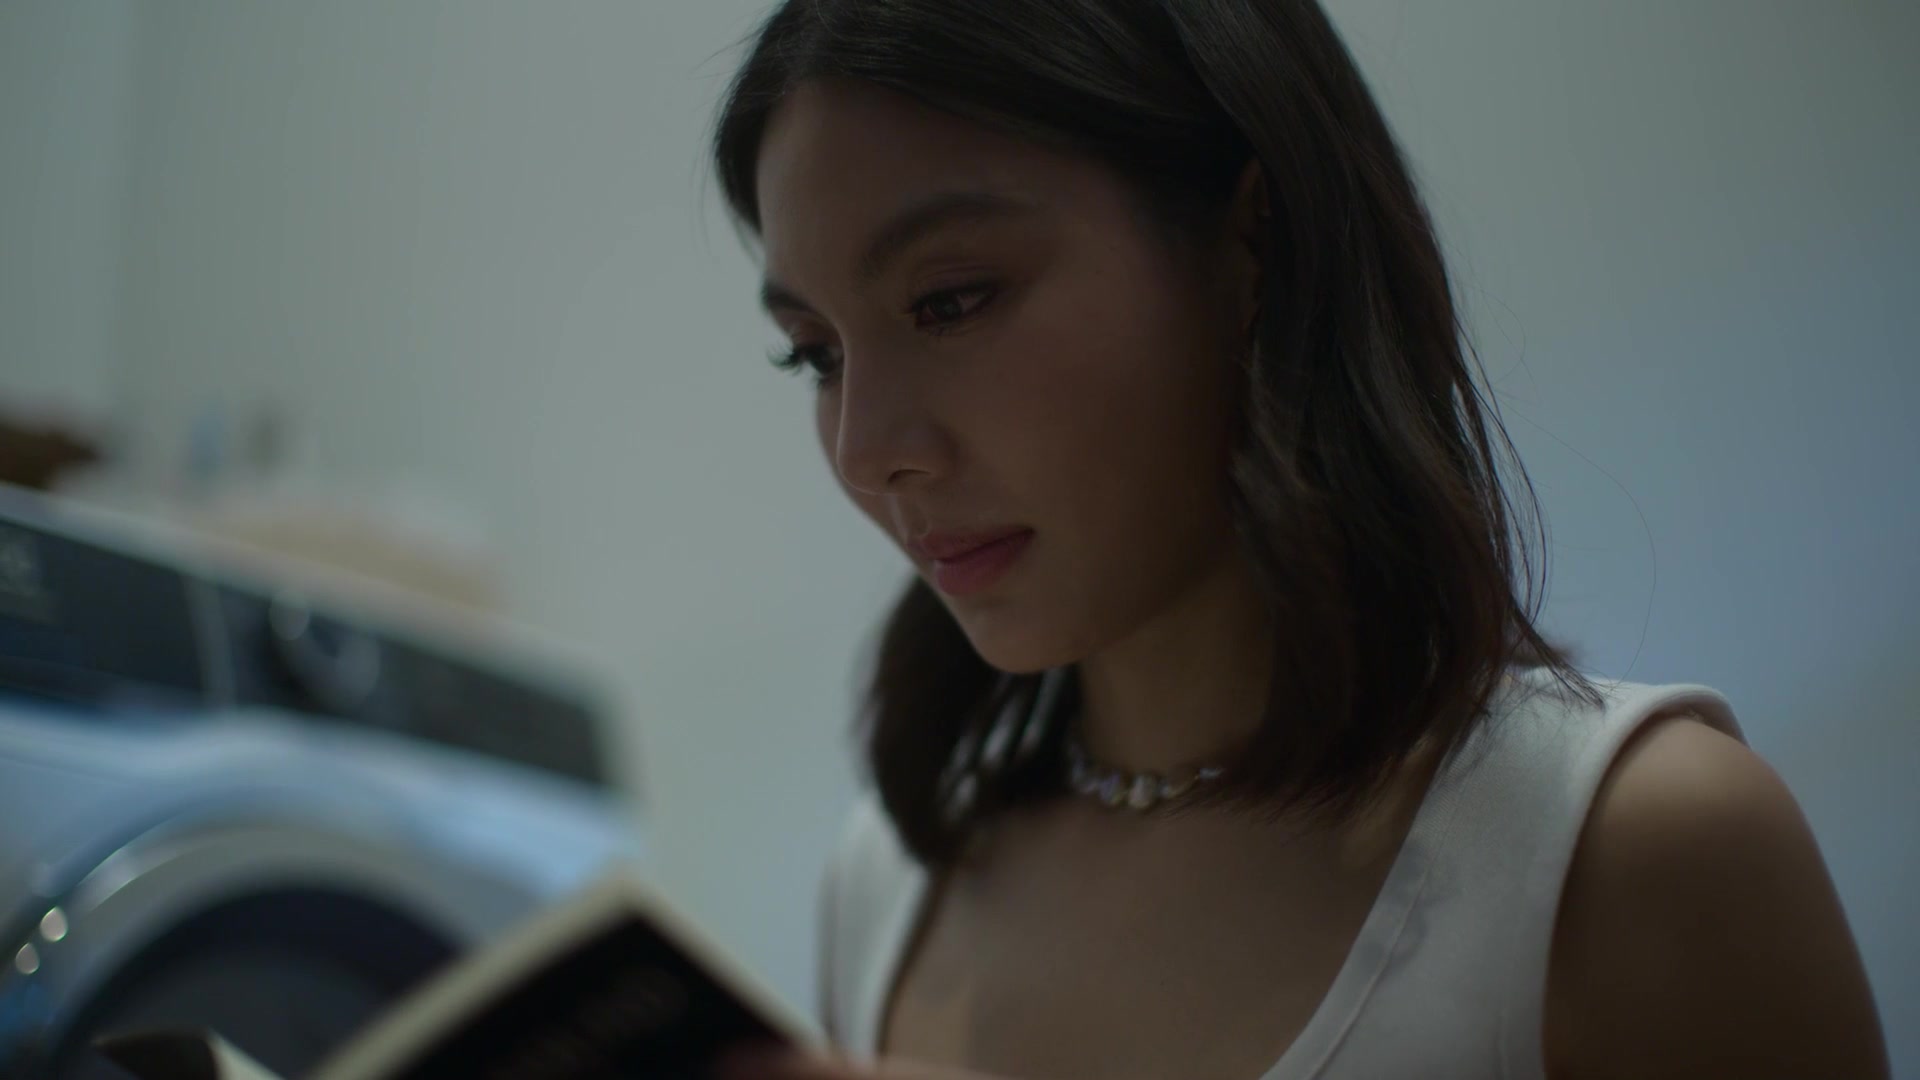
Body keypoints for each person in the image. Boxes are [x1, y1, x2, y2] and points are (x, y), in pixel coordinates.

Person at [708, 2, 1889, 1077]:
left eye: (951, 301)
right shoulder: (892, 889)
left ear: (1252, 240)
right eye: (817, 354)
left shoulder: (1634, 851)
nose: (866, 450)